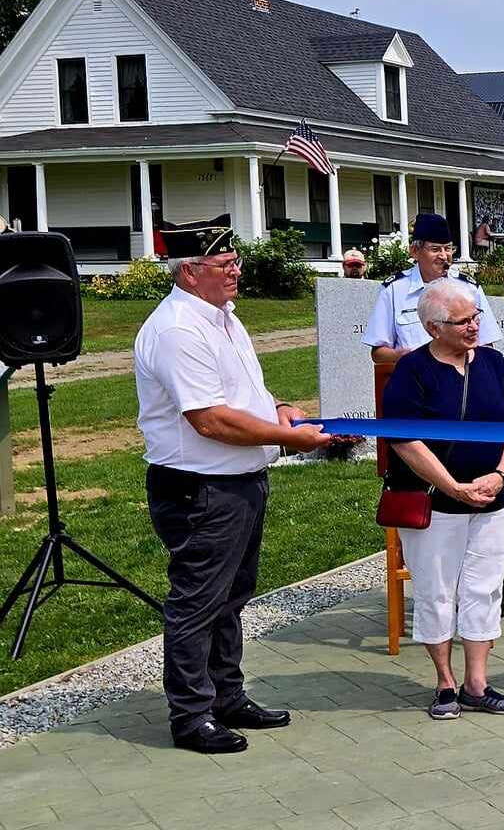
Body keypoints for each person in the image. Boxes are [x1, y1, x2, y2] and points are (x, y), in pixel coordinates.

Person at [134, 219, 340, 753]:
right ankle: (190, 715)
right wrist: (289, 439)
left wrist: (281, 411)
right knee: (198, 602)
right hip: (200, 487)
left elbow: (245, 390)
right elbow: (210, 419)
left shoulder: (224, 317)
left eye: (235, 261)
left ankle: (227, 695)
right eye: (224, 265)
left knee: (231, 597)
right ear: (188, 271)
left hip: (239, 480)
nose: (236, 271)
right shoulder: (179, 329)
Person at [380, 278, 504, 720]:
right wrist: (453, 486)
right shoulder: (412, 372)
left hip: (492, 502)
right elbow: (404, 440)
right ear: (433, 328)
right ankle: (445, 682)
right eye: (462, 321)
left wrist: (501, 475)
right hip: (435, 505)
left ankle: (477, 683)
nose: (473, 327)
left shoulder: (494, 363)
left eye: (475, 317)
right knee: (436, 593)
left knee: (483, 590)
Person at [364, 213, 501, 364]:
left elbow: (487, 344)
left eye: (448, 249)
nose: (443, 256)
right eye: (435, 249)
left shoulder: (468, 288)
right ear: (415, 251)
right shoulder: (394, 290)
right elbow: (378, 353)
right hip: (415, 379)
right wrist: (403, 357)